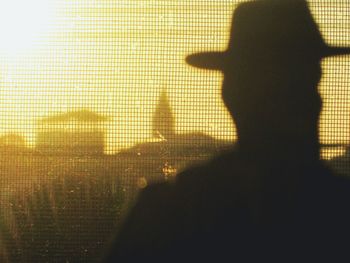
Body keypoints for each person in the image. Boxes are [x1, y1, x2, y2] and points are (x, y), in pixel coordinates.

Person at [104, 0, 350, 261]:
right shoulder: (337, 213)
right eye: (295, 86)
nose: (312, 101)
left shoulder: (169, 214)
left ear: (230, 95)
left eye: (309, 82)